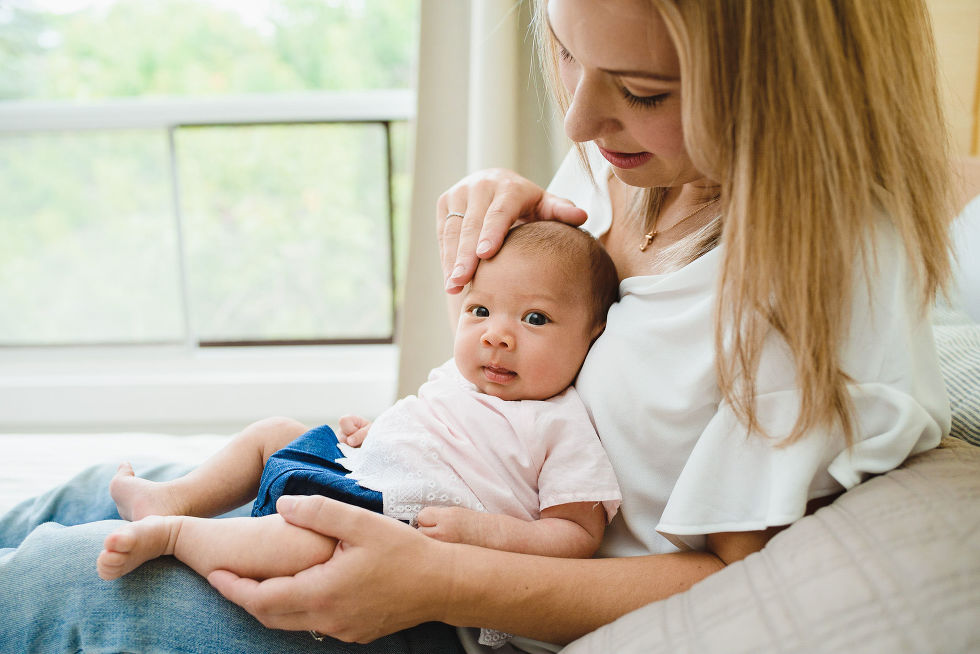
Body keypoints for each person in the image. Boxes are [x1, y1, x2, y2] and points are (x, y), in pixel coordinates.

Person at [0, 1, 954, 652]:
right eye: (569, 53)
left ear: (787, 87)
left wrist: (436, 583)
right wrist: (525, 218)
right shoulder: (633, 166)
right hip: (394, 502)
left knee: (52, 583)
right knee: (80, 494)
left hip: (454, 610)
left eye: (644, 91)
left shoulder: (818, 284)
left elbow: (728, 582)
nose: (580, 118)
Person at [94, 221, 622, 647]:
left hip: (395, 523)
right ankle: (170, 498)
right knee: (274, 432)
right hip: (359, 469)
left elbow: (576, 536)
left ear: (591, 333)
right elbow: (426, 423)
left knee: (300, 543)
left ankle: (175, 536)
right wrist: (376, 428)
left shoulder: (562, 423)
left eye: (535, 318)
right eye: (479, 310)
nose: (496, 335)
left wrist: (485, 534)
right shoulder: (460, 376)